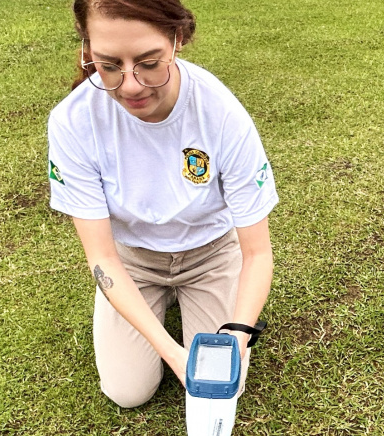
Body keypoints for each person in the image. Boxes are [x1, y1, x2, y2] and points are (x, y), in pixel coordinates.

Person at [47, 0, 278, 408]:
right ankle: (159, 302)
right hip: (133, 261)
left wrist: (238, 335)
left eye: (150, 62)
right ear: (88, 50)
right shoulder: (73, 120)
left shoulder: (220, 112)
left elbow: (257, 252)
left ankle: (194, 297)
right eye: (109, 64)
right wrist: (173, 354)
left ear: (178, 40)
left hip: (211, 254)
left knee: (223, 385)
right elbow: (102, 257)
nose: (131, 85)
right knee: (128, 392)